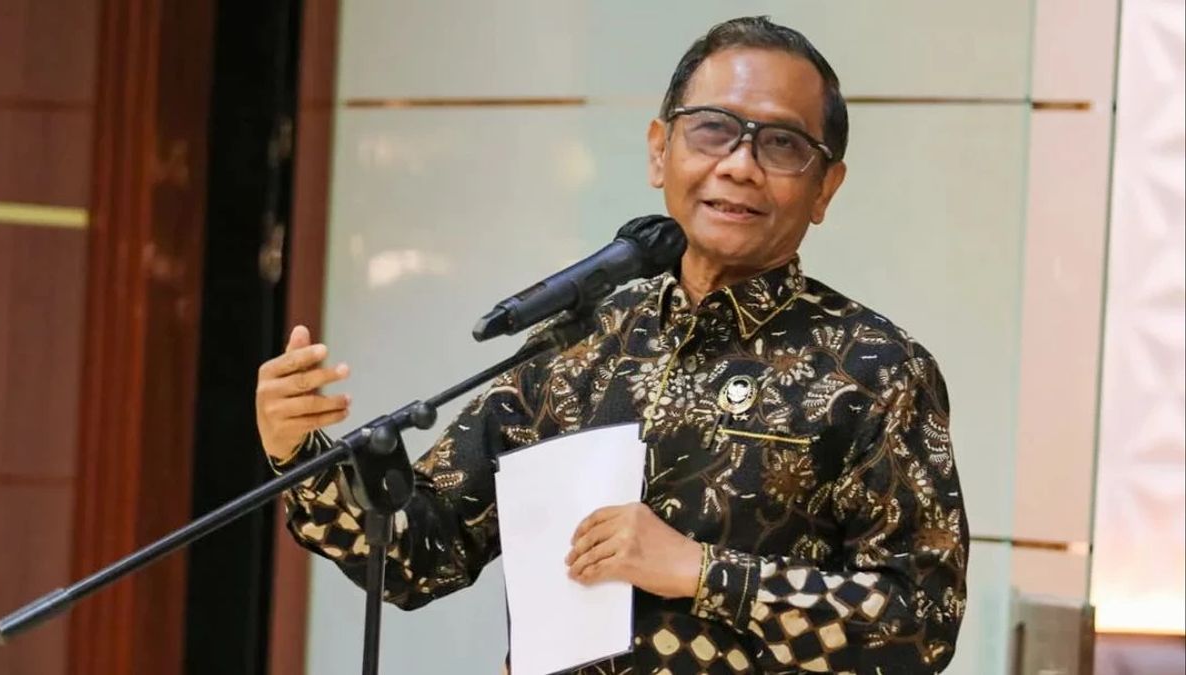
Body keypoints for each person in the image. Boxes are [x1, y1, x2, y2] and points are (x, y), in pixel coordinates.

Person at [256, 16, 968, 674]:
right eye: (713, 130)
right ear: (660, 151)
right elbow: (420, 553)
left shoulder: (875, 369)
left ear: (825, 188)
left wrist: (703, 572)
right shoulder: (579, 342)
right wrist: (298, 453)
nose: (740, 165)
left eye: (781, 144)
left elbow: (920, 627)